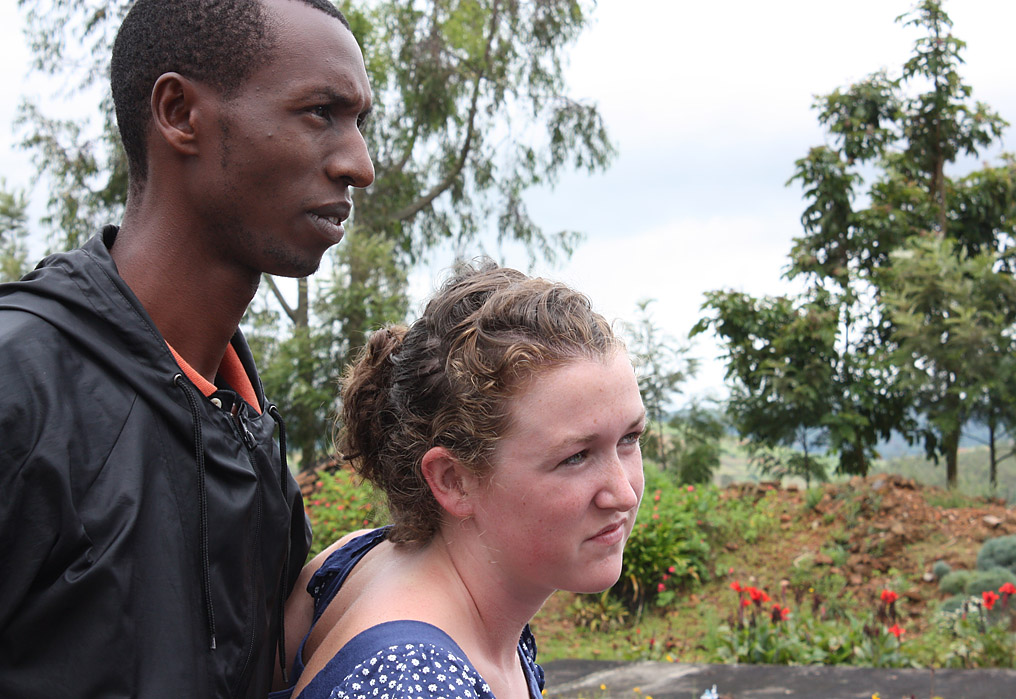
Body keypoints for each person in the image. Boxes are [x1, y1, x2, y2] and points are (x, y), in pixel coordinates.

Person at [0, 0, 374, 696]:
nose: (360, 164)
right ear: (178, 113)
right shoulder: (20, 388)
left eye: (360, 122)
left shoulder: (250, 436)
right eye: (320, 112)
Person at [275, 261, 646, 699]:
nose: (622, 493)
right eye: (576, 457)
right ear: (453, 480)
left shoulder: (358, 559)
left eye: (629, 438)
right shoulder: (411, 683)